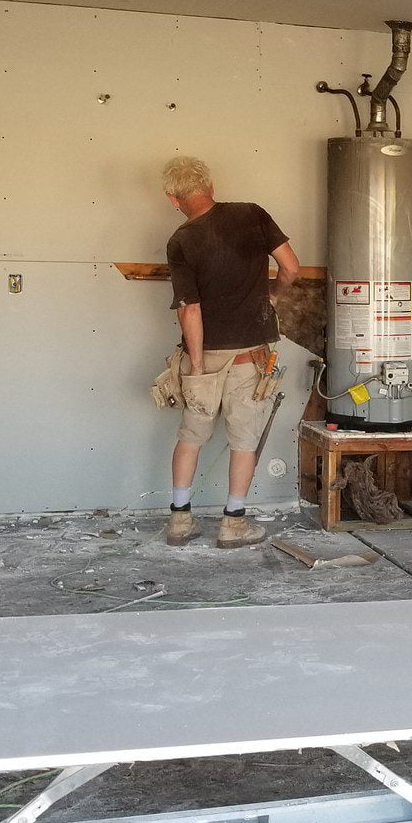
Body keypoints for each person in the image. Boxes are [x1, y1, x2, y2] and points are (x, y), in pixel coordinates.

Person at [160, 155, 301, 548]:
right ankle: (233, 523)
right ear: (211, 187)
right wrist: (272, 294)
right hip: (249, 356)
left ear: (173, 197)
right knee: (244, 439)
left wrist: (199, 366)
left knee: (191, 436)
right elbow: (291, 267)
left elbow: (190, 308)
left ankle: (180, 522)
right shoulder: (252, 214)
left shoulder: (181, 241)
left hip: (204, 356)